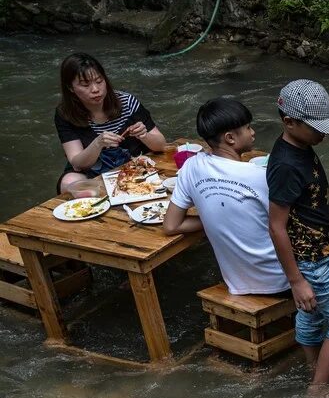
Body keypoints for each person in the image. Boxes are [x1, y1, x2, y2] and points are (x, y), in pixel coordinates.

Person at [267, 79, 329, 395]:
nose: (323, 134)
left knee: (310, 318)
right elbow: (276, 226)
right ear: (289, 122)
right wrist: (297, 281)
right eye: (315, 127)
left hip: (318, 248)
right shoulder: (286, 165)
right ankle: (319, 389)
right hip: (311, 260)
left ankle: (314, 372)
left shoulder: (302, 147)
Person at [163, 97, 289, 296]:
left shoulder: (192, 167)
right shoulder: (261, 176)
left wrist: (215, 220)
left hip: (237, 283)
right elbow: (288, 226)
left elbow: (171, 226)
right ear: (230, 138)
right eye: (248, 127)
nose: (253, 132)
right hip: (284, 282)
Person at [54, 53, 168, 197]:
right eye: (85, 85)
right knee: (68, 182)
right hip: (92, 171)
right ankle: (94, 205)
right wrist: (97, 143)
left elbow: (161, 145)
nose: (95, 89)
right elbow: (77, 163)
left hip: (133, 166)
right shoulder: (66, 114)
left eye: (99, 81)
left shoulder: (127, 103)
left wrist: (144, 136)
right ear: (70, 88)